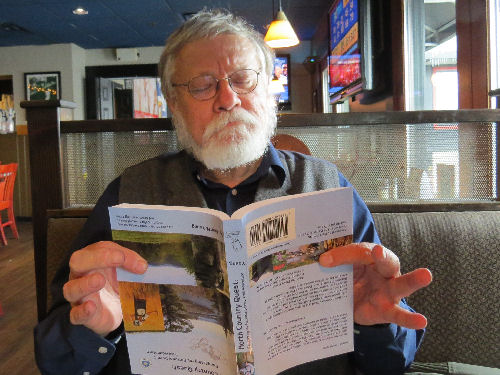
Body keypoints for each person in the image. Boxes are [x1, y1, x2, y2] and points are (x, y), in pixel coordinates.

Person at [34, 9, 432, 375]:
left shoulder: (328, 187)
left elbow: (392, 360)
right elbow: (54, 360)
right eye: (203, 86)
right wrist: (95, 329)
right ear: (174, 102)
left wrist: (373, 323)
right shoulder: (128, 194)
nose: (228, 99)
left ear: (269, 90)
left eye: (243, 78)